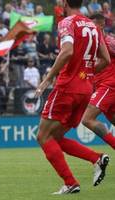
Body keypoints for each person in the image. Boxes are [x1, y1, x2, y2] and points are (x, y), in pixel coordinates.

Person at [35, 0, 111, 194]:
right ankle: (97, 159)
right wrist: (86, 74)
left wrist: (47, 78)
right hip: (86, 88)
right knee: (56, 137)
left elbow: (67, 51)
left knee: (43, 136)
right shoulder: (93, 26)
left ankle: (70, 183)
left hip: (67, 87)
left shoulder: (67, 22)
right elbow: (106, 59)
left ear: (65, 3)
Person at [82, 14, 115, 150]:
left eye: (93, 24)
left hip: (109, 85)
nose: (90, 28)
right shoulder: (92, 44)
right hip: (102, 87)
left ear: (101, 25)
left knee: (87, 119)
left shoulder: (108, 41)